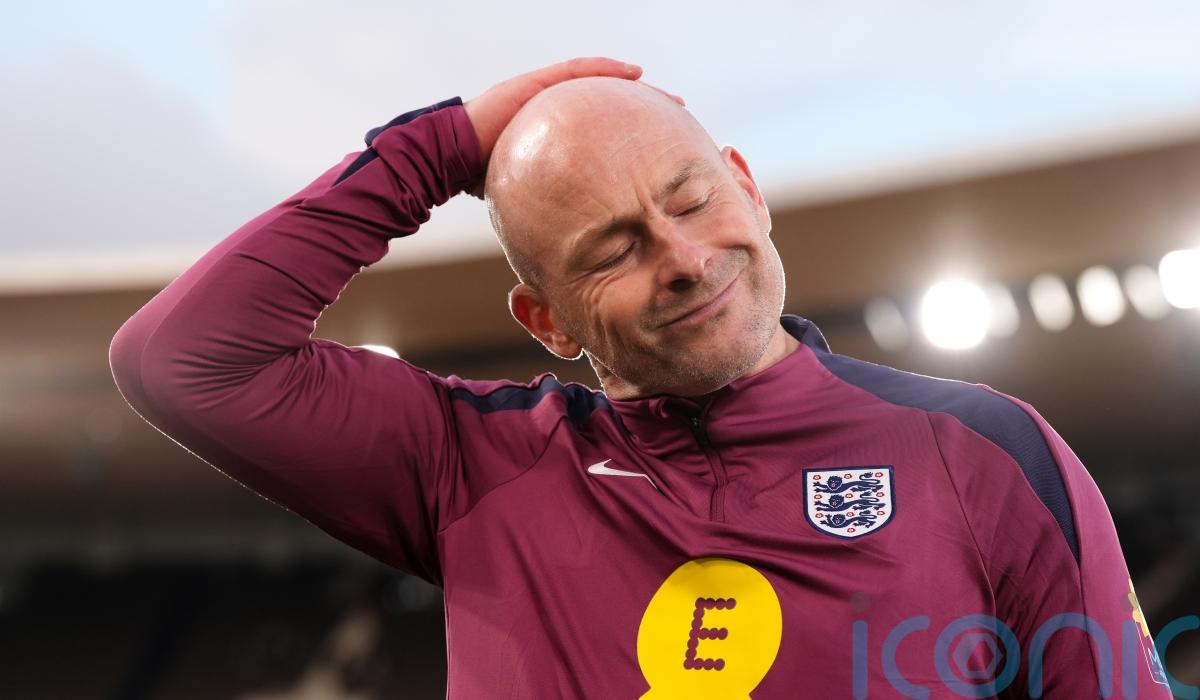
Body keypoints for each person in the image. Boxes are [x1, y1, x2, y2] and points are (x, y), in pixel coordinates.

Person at [109, 57, 1171, 698]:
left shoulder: (984, 452)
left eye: (693, 198)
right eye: (612, 250)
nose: (686, 260)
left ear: (748, 188)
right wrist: (435, 150)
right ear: (547, 321)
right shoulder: (469, 465)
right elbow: (182, 359)